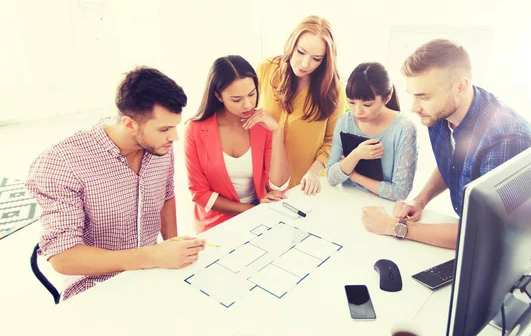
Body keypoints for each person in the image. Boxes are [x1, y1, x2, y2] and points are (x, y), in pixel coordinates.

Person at [361, 39, 531, 249]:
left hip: (522, 244)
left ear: (460, 86)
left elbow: (484, 234)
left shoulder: (506, 139)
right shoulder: (440, 111)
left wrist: (394, 227)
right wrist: (420, 200)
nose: (415, 108)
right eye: (413, 96)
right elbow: (452, 163)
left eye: (423, 97)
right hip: (479, 230)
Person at [25, 67, 205, 301]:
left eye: (174, 126)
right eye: (165, 129)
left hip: (153, 274)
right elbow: (63, 257)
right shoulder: (61, 163)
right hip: (94, 286)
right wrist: (151, 256)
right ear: (130, 124)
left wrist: (172, 244)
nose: (174, 137)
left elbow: (166, 194)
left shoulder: (160, 146)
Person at [185, 55, 290, 233]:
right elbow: (199, 194)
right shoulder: (194, 130)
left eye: (252, 94)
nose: (248, 104)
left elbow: (279, 186)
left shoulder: (262, 125)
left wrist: (276, 132)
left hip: (259, 218)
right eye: (236, 99)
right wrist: (249, 210)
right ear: (218, 96)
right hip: (215, 224)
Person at [257, 15, 345, 195]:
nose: (305, 64)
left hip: (303, 187)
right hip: (259, 182)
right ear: (292, 44)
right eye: (301, 52)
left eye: (316, 58)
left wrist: (313, 172)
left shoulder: (333, 90)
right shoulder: (266, 69)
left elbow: (333, 141)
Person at [327, 62, 418, 201]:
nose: (358, 111)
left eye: (367, 104)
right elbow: (331, 177)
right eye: (351, 102)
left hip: (384, 207)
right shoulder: (345, 121)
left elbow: (400, 192)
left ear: (387, 97)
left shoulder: (404, 129)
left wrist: (354, 176)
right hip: (345, 200)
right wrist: (356, 155)